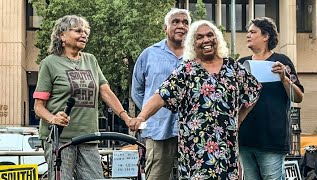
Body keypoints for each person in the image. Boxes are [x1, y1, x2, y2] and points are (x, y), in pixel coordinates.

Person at [129, 20, 262, 179]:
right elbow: (161, 95)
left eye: (210, 35)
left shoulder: (233, 68)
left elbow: (253, 91)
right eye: (199, 37)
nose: (206, 40)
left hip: (226, 149)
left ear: (217, 39)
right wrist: (142, 116)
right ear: (193, 44)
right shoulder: (186, 71)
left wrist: (239, 119)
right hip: (195, 150)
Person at [33, 15, 131, 179]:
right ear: (62, 35)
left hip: (89, 136)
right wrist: (53, 118)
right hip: (60, 139)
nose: (84, 34)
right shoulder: (49, 63)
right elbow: (38, 106)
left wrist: (126, 117)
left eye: (86, 31)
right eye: (78, 30)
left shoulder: (91, 60)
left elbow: (105, 92)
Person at [238, 17, 304, 180]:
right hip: (245, 140)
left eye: (253, 32)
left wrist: (283, 78)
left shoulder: (281, 61)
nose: (248, 35)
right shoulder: (241, 63)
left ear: (266, 36)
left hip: (271, 140)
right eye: (248, 32)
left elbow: (298, 97)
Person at [131, 8, 191, 179]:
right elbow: (137, 90)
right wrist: (152, 113)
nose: (181, 26)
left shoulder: (197, 56)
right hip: (158, 130)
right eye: (176, 22)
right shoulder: (149, 54)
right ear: (165, 28)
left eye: (185, 22)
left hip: (192, 131)